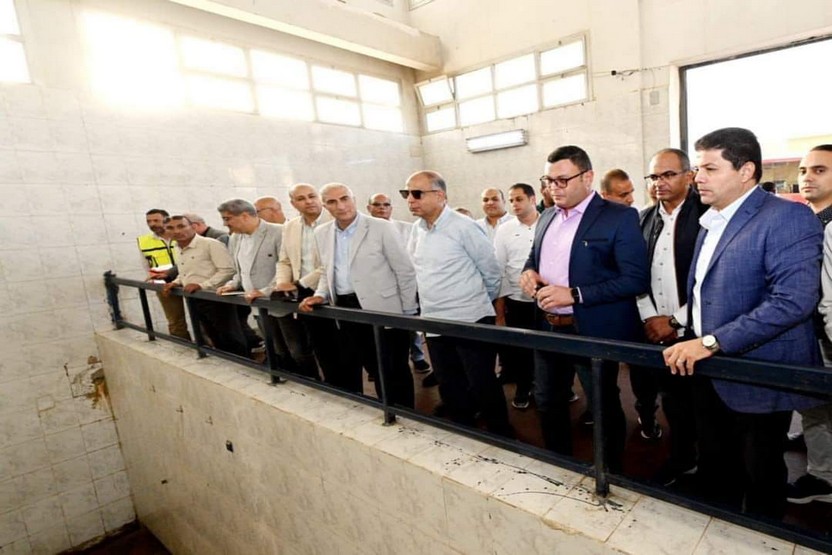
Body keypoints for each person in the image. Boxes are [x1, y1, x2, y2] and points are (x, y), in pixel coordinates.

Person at [662, 127, 823, 519]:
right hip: (709, 368)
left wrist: (711, 342)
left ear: (746, 171)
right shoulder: (713, 219)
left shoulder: (787, 217)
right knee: (717, 469)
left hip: (757, 371)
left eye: (710, 169)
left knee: (760, 475)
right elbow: (705, 290)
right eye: (697, 168)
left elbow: (793, 301)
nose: (697, 177)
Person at [519, 145, 648, 472]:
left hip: (591, 328)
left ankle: (610, 473)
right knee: (547, 400)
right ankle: (559, 466)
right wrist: (528, 273)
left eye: (562, 180)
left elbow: (635, 279)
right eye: (548, 181)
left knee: (602, 405)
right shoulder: (546, 216)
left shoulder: (619, 217)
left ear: (587, 177)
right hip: (548, 326)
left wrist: (575, 294)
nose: (554, 188)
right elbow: (533, 258)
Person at [405, 170, 512, 437]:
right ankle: (464, 431)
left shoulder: (464, 227)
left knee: (482, 381)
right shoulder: (417, 230)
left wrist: (473, 302)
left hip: (470, 318)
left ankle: (501, 434)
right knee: (449, 383)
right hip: (434, 321)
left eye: (417, 193)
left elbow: (491, 272)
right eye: (406, 193)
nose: (410, 199)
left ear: (440, 195)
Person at [301, 184, 417, 408]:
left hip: (385, 308)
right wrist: (321, 294)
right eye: (332, 202)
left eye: (345, 198)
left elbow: (405, 270)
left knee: (393, 369)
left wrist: (407, 312)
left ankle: (406, 417)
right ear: (325, 206)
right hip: (346, 309)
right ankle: (385, 412)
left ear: (354, 199)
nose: (340, 205)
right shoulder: (322, 232)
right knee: (369, 366)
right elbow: (327, 270)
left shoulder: (381, 227)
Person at [636, 148, 706, 484]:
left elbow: (711, 283)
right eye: (653, 176)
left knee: (705, 408)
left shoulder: (707, 215)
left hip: (698, 331)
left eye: (668, 175)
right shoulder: (644, 219)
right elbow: (635, 275)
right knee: (673, 404)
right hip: (656, 330)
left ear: (689, 176)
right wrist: (651, 318)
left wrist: (675, 320)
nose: (658, 182)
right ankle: (681, 460)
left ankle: (712, 473)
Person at [789, 144, 832, 504]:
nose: (807, 177)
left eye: (819, 170)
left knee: (820, 408)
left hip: (827, 335)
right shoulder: (807, 221)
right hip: (809, 333)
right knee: (814, 408)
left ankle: (823, 480)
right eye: (804, 170)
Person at [214, 199, 295, 370]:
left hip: (282, 303)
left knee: (296, 350)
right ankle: (287, 377)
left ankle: (308, 380)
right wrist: (233, 284)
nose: (225, 224)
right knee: (275, 348)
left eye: (227, 218)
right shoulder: (235, 238)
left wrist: (266, 291)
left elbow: (287, 266)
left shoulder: (279, 232)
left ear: (244, 216)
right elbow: (240, 269)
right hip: (257, 304)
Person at [271, 184, 339, 380]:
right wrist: (283, 282)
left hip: (333, 290)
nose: (308, 201)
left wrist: (300, 283)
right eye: (301, 199)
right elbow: (284, 260)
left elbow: (331, 262)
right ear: (293, 203)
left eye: (312, 196)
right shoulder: (291, 226)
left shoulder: (335, 221)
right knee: (320, 347)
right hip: (304, 294)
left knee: (342, 348)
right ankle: (331, 387)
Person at [162, 215, 246, 356]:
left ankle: (243, 365)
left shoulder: (210, 244)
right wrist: (175, 282)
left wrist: (202, 285)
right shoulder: (178, 247)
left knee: (230, 337)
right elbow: (186, 271)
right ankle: (226, 365)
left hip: (216, 298)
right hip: (194, 298)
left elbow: (228, 270)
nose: (176, 231)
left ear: (192, 227)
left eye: (181, 226)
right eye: (170, 228)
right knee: (212, 336)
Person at [366, 192, 429, 374]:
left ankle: (418, 356)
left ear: (391, 208)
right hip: (378, 288)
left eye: (386, 204)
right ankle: (379, 367)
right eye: (377, 204)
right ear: (369, 208)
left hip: (407, 283)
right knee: (383, 330)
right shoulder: (363, 231)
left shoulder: (407, 228)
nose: (382, 208)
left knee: (411, 323)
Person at [493, 183, 539, 410]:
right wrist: (500, 310)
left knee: (550, 349)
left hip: (547, 301)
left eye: (519, 199)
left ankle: (555, 389)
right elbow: (499, 270)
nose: (514, 204)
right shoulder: (504, 230)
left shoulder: (548, 223)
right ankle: (523, 387)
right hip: (517, 301)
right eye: (511, 200)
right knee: (521, 350)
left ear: (532, 199)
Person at [137, 209, 189, 340]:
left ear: (166, 220)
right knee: (175, 321)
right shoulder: (144, 241)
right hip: (164, 285)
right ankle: (183, 348)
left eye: (156, 220)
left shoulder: (182, 236)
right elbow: (146, 264)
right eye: (149, 221)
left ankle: (208, 347)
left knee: (200, 318)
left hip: (189, 280)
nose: (152, 224)